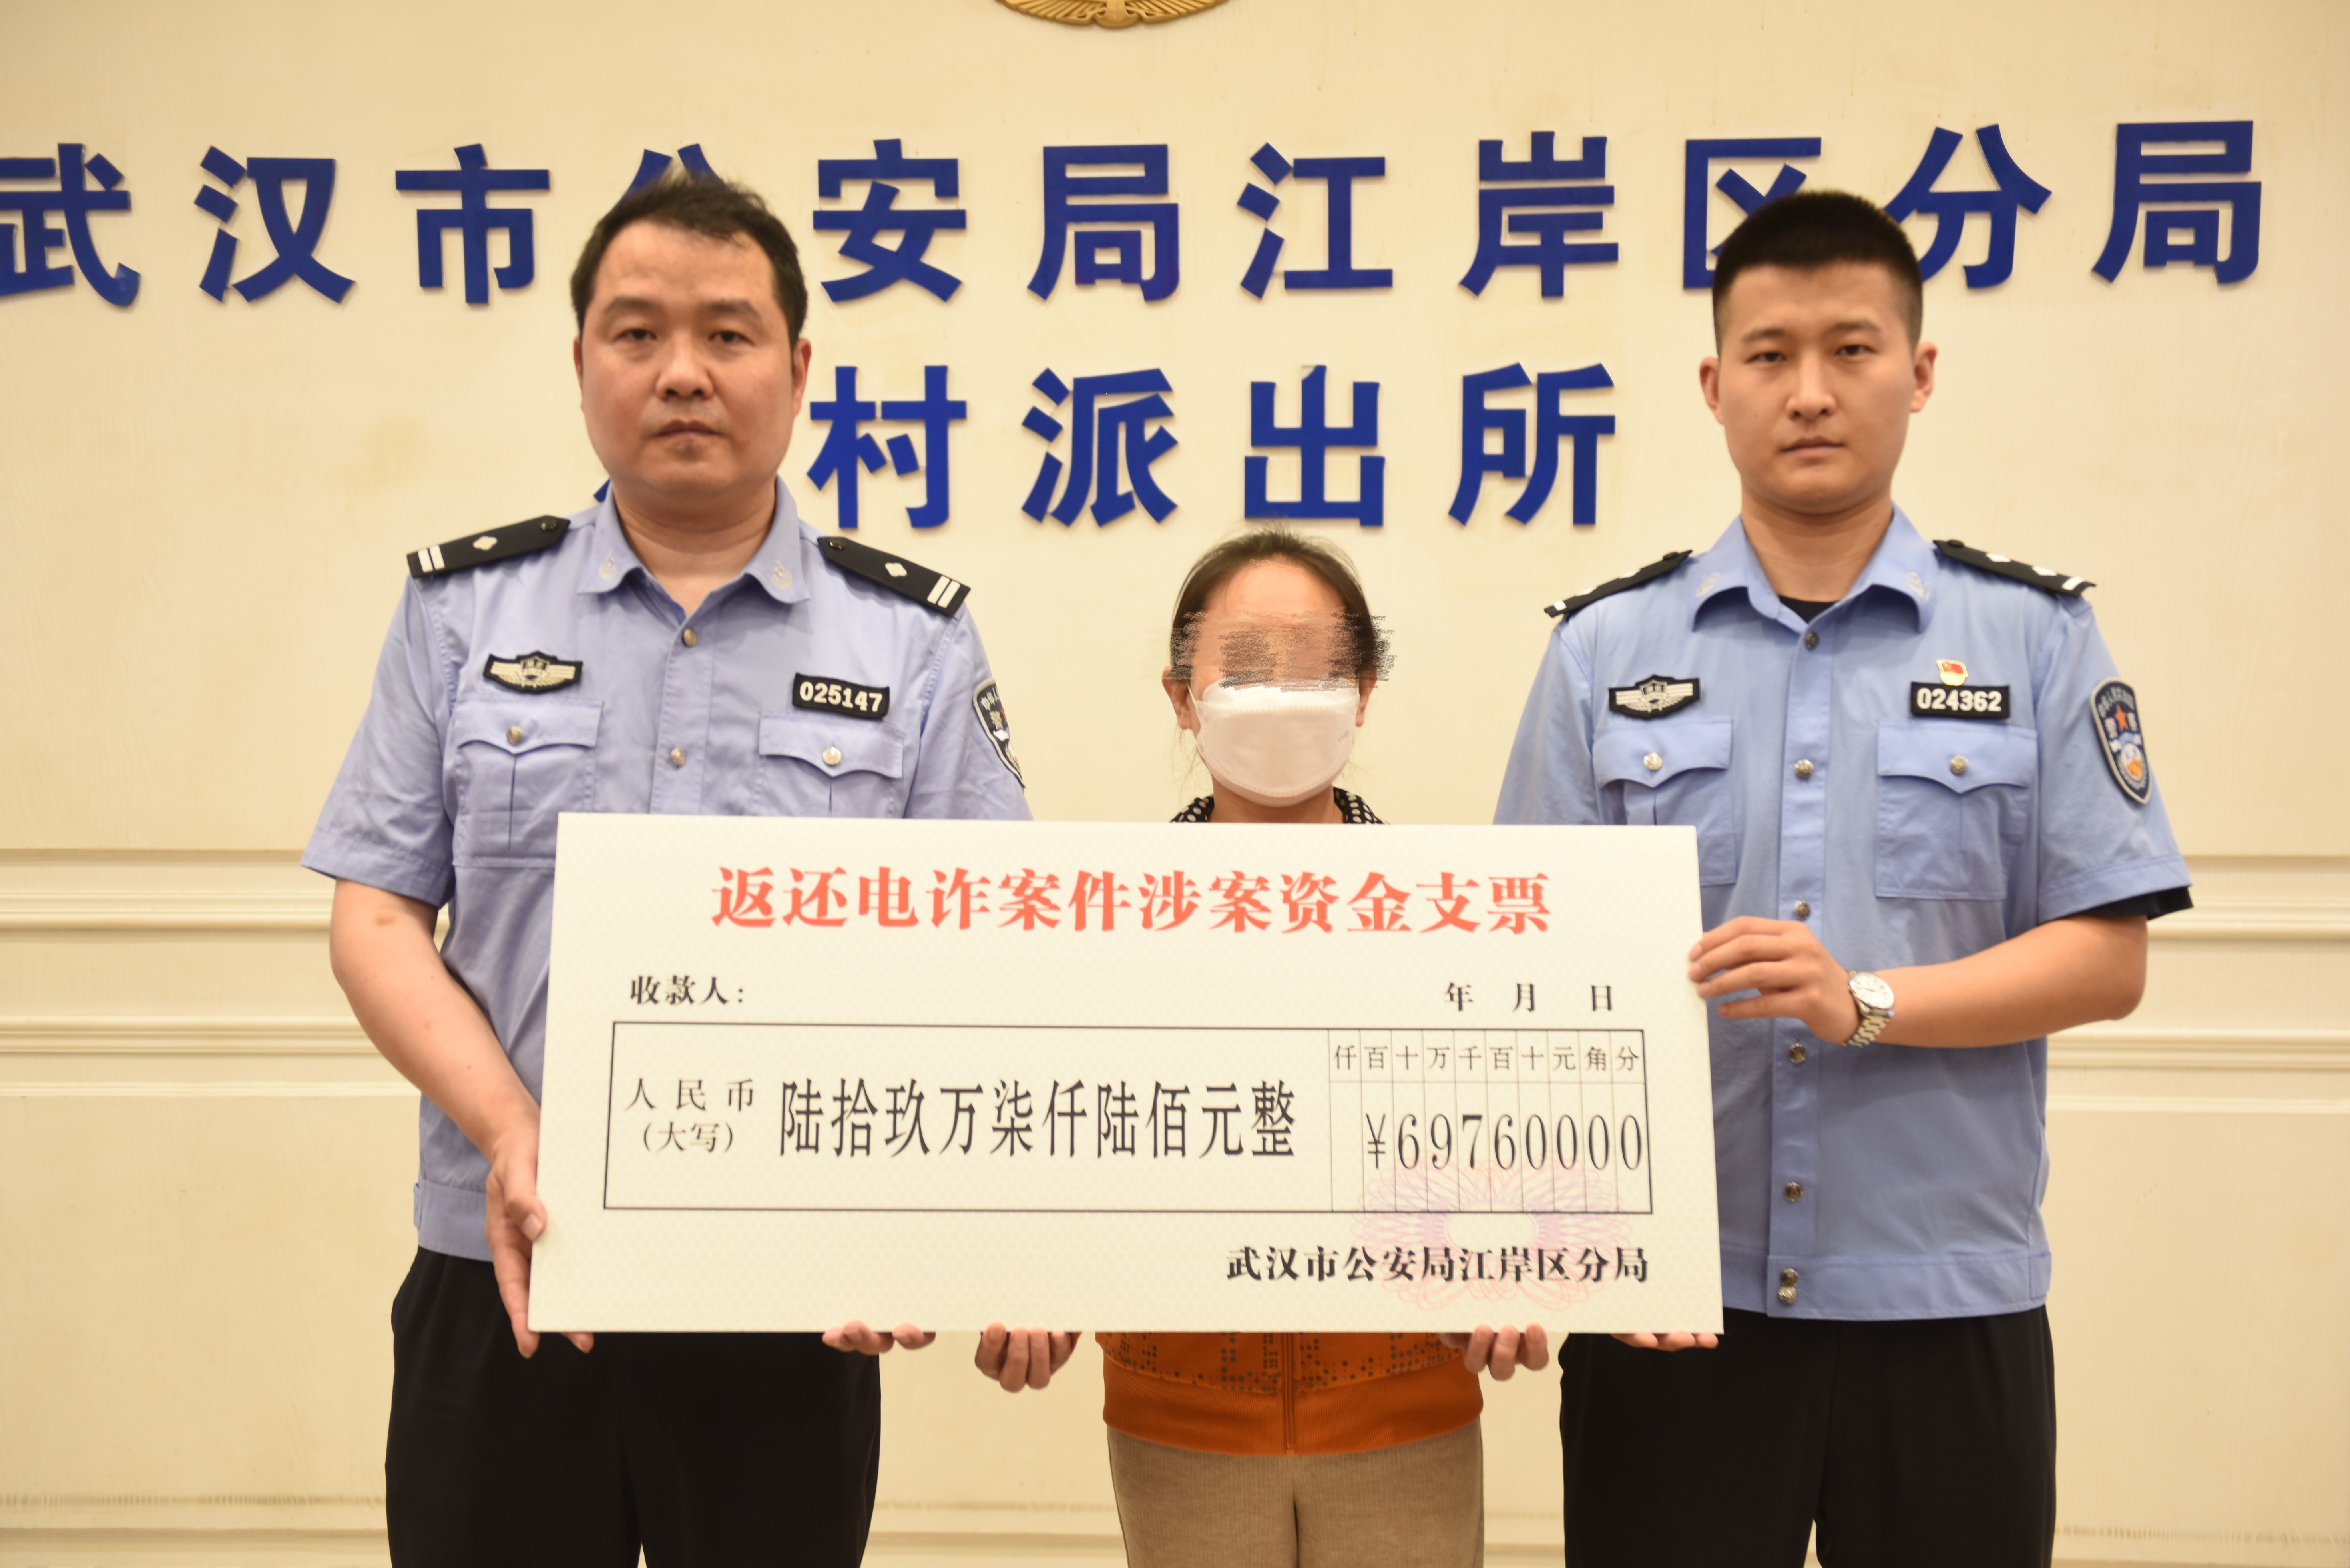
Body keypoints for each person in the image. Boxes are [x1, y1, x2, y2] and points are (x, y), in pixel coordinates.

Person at [304, 173, 1030, 1568]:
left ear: (798, 369)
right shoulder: (462, 612)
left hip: (791, 1290)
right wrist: (511, 1129)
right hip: (506, 1264)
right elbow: (378, 912)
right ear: (581, 361)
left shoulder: (914, 640)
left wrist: (949, 1219)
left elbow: (987, 946)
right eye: (637, 333)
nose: (683, 372)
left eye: (727, 334)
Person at [1494, 190, 2191, 1567]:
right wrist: (1534, 1243)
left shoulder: (2038, 638)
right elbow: (1526, 972)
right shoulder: (1601, 651)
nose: (1810, 391)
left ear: (1918, 372)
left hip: (1946, 1302)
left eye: (1852, 349)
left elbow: (2109, 955)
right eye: (1770, 354)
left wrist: (1865, 998)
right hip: (1673, 1303)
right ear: (1715, 386)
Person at [973, 528, 1539, 1568]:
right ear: (1181, 696)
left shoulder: (1453, 919)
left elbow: (1508, 1150)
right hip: (1179, 1419)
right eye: (1242, 668)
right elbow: (1058, 1145)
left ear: (1364, 691)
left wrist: (1524, 1262)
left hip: (1407, 1412)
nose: (1279, 698)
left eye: (1315, 668)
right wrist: (1029, 1272)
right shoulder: (1100, 925)